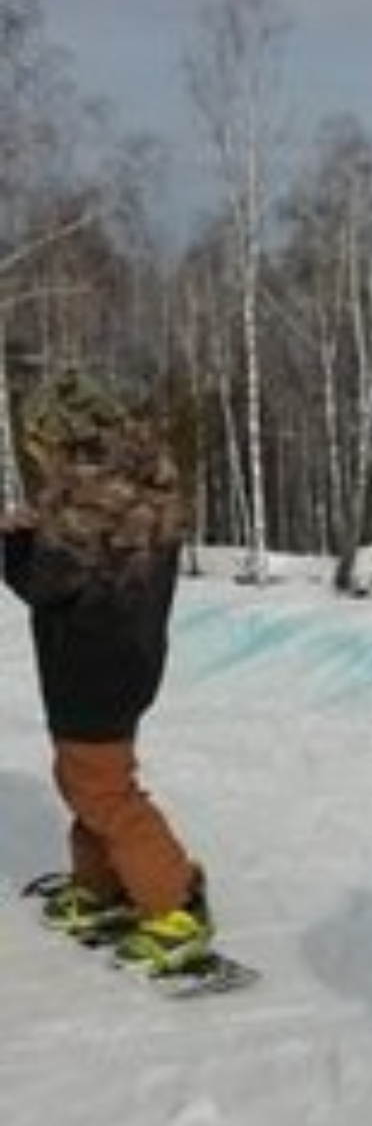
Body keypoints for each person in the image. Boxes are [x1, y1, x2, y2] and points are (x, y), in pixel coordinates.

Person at [3, 370, 216, 976]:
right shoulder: (143, 481)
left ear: (63, 439)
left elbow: (45, 584)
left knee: (102, 789)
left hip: (87, 666)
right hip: (129, 658)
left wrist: (15, 542)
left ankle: (174, 902)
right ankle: (103, 887)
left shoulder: (80, 498)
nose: (38, 457)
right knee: (91, 779)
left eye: (41, 445)